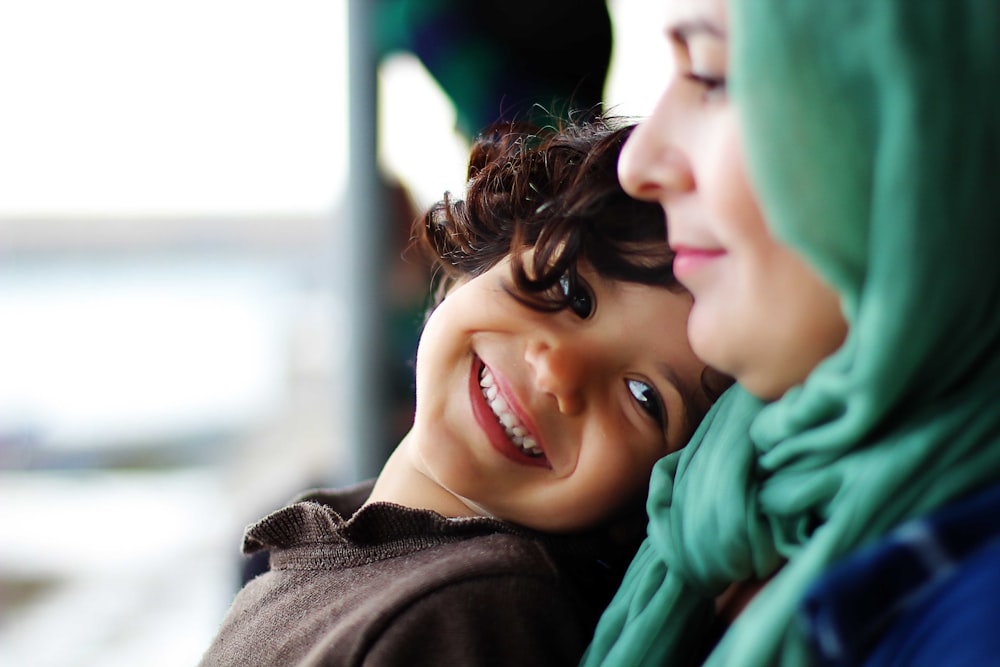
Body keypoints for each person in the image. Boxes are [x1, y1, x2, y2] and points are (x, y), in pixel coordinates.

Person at [198, 118, 728, 667]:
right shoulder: (354, 552)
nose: (558, 373)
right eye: (573, 290)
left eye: (644, 398)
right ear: (475, 263)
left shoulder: (473, 613)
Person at [582, 1, 1000, 665]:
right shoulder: (718, 487)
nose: (638, 163)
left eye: (713, 76)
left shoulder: (972, 627)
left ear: (926, 117)